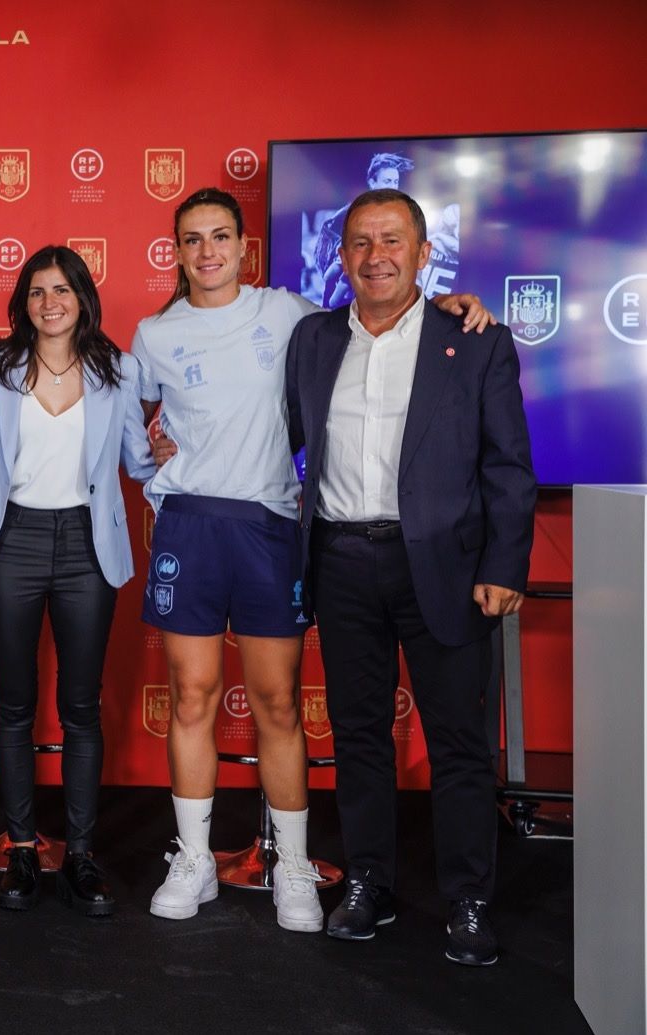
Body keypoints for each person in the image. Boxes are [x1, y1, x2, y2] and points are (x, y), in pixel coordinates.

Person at [133, 187, 491, 933]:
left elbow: (382, 309)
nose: (207, 252)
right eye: (192, 240)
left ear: (242, 247)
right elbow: (131, 423)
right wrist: (153, 452)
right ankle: (194, 857)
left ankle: (291, 863)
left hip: (271, 527)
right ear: (176, 251)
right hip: (190, 526)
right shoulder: (153, 334)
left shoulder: (290, 315)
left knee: (277, 703)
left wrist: (452, 300)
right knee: (192, 695)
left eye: (220, 236)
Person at [287, 188, 535, 966]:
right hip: (341, 561)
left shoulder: (475, 340)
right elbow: (275, 432)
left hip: (449, 568)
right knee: (360, 736)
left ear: (424, 253)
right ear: (342, 255)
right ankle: (369, 883)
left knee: (459, 741)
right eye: (359, 242)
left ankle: (466, 898)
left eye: (392, 239)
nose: (375, 255)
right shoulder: (314, 338)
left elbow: (508, 468)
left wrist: (503, 564)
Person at [0, 246, 155, 915]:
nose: (49, 302)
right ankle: (19, 848)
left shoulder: (117, 368)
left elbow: (137, 460)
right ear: (24, 302)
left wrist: (182, 454)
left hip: (85, 546)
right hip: (11, 541)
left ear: (81, 297)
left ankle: (81, 854)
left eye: (61, 290)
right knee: (13, 702)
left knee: (80, 707)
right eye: (37, 292)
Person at [315, 153, 415, 307]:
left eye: (396, 182)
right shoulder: (350, 213)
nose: (393, 186)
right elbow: (328, 274)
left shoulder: (402, 216)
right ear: (372, 182)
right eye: (387, 181)